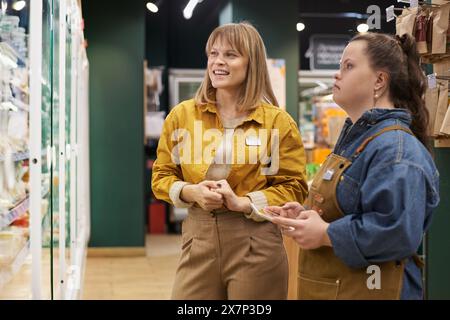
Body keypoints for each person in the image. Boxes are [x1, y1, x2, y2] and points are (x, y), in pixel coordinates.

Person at [267, 32, 440, 300]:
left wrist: (325, 233)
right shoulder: (357, 141)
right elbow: (350, 207)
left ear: (379, 81)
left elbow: (395, 231)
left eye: (348, 66)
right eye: (339, 66)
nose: (337, 74)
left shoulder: (395, 150)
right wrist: (306, 215)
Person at [151, 22, 308, 299]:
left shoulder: (277, 123)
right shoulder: (182, 116)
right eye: (213, 53)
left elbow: (293, 186)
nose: (218, 62)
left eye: (230, 55)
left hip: (256, 243)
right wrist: (192, 192)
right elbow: (162, 176)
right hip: (197, 240)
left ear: (252, 63)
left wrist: (243, 202)